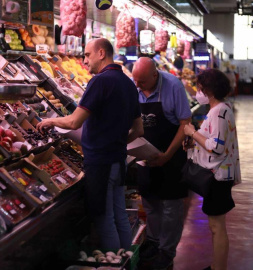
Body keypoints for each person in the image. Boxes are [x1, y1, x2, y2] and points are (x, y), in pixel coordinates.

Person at [36, 38, 143, 250]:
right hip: (117, 161)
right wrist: (118, 142)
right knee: (119, 215)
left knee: (104, 219)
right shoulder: (128, 84)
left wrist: (50, 121)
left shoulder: (100, 81)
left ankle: (113, 260)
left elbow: (74, 121)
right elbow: (139, 130)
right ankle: (126, 260)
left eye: (87, 55)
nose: (85, 60)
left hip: (100, 164)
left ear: (101, 53)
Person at [132, 57, 192, 270]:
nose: (138, 86)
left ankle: (167, 251)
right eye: (135, 81)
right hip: (144, 156)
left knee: (171, 207)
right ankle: (154, 241)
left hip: (171, 155)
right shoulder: (135, 85)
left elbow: (185, 123)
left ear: (155, 75)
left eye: (143, 82)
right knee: (149, 202)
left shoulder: (173, 86)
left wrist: (167, 155)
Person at [183, 69, 241, 270]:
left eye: (200, 88)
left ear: (209, 90)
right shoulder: (220, 109)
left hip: (218, 176)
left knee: (217, 228)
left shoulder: (219, 112)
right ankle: (218, 265)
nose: (198, 92)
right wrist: (194, 142)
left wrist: (192, 132)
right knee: (216, 226)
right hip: (219, 175)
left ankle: (219, 267)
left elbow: (216, 146)